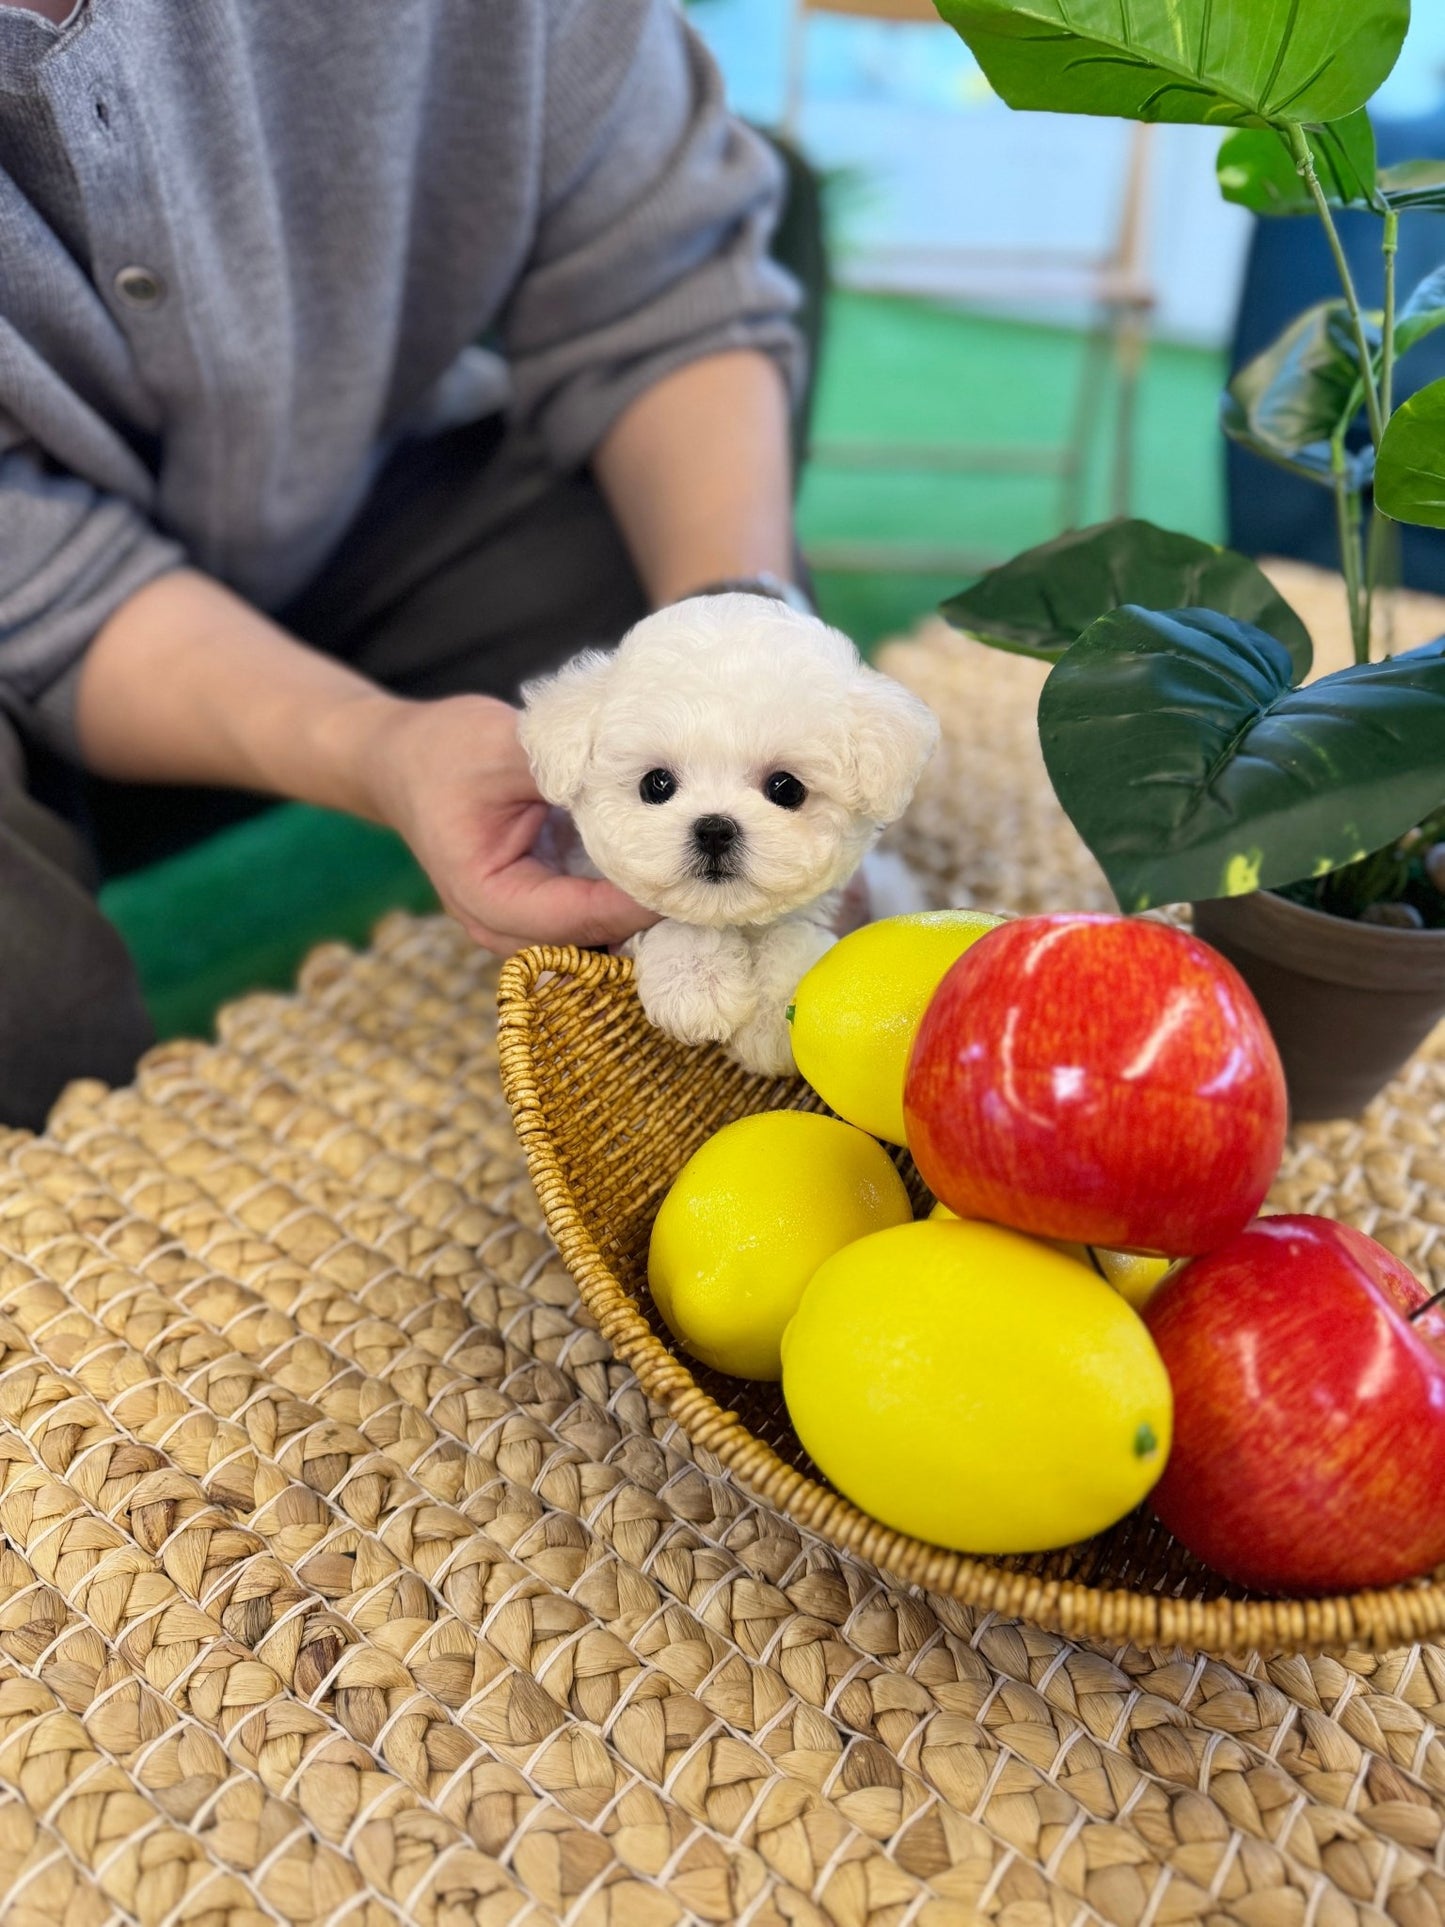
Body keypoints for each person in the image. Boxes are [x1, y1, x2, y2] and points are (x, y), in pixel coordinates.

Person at [0, 0, 809, 1129]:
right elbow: (33, 569)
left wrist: (749, 640)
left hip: (375, 489)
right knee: (24, 1021)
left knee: (664, 591)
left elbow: (658, 281)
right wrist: (375, 749)